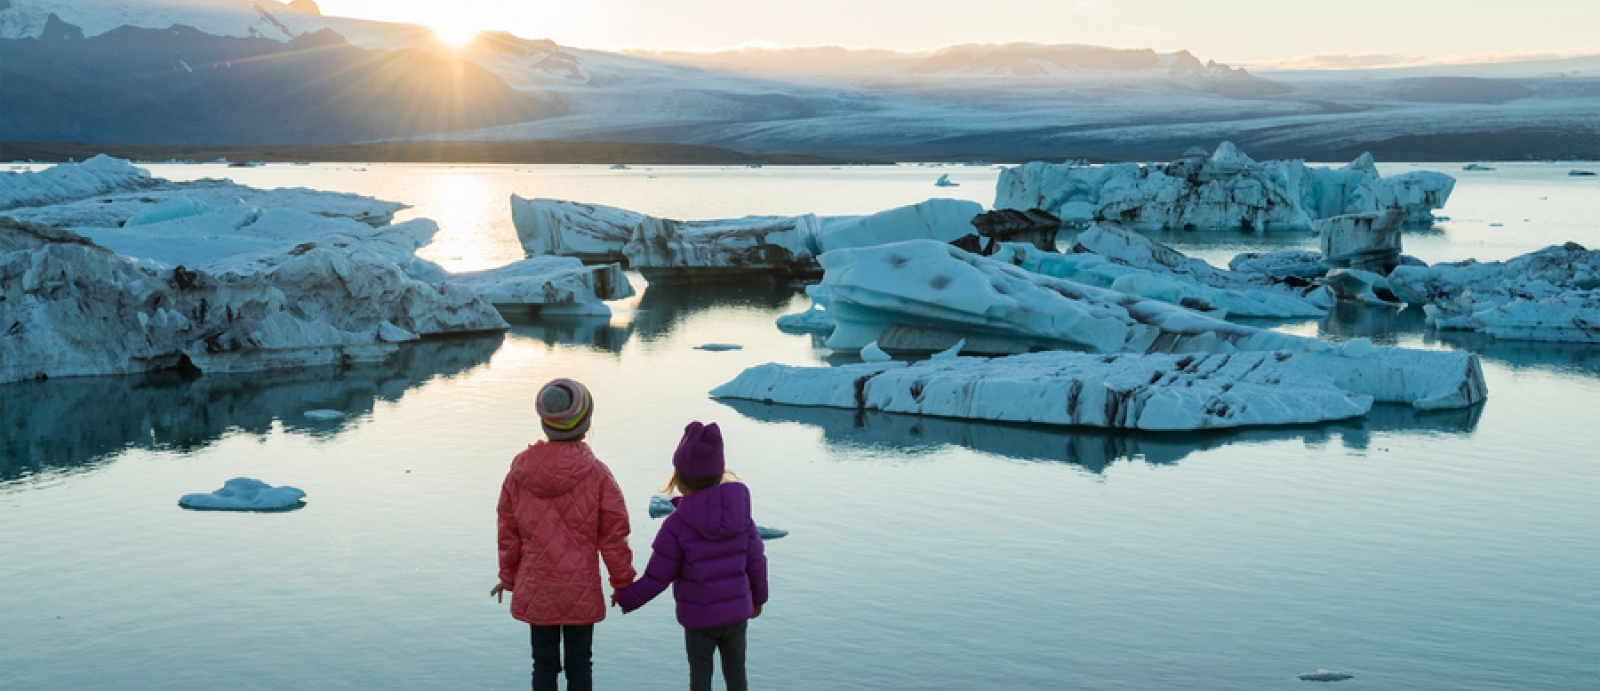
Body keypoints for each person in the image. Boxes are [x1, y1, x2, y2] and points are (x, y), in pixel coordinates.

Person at [492, 378, 635, 691]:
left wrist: (508, 576)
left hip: (536, 585)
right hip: (579, 589)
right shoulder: (598, 474)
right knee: (580, 665)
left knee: (542, 666)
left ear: (545, 424)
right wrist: (622, 582)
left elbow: (508, 532)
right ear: (585, 426)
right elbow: (614, 535)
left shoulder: (517, 474)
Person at [614, 421, 769, 691]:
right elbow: (756, 563)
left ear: (679, 478)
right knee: (736, 674)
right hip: (736, 615)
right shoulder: (742, 517)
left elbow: (657, 577)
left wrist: (628, 596)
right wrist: (758, 600)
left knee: (700, 677)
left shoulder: (676, 526)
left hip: (699, 620)